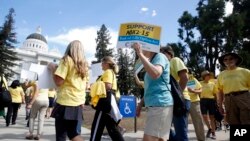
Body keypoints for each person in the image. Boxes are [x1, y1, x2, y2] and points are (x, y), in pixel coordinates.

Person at [48, 40, 88, 141]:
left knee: (61, 135)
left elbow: (58, 82)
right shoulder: (84, 66)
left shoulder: (66, 60)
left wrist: (53, 68)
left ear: (69, 48)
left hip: (65, 102)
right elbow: (85, 86)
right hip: (77, 103)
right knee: (73, 134)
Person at [133, 43, 173, 141]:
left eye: (142, 45)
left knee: (149, 138)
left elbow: (156, 73)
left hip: (160, 104)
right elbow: (149, 88)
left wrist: (140, 54)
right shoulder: (153, 61)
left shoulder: (160, 56)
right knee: (159, 139)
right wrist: (140, 105)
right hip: (157, 105)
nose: (139, 47)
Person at [90, 56, 124, 141]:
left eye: (102, 63)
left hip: (104, 102)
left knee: (97, 128)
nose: (101, 65)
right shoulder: (111, 72)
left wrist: (94, 86)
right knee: (112, 129)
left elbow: (108, 86)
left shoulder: (108, 72)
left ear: (106, 63)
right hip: (110, 102)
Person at [160, 46, 190, 141]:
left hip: (180, 100)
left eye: (162, 52)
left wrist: (177, 95)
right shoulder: (161, 66)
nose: (159, 55)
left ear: (169, 54)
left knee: (181, 133)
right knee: (163, 130)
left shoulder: (174, 60)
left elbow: (184, 78)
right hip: (169, 101)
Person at [217, 52, 250, 125]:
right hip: (229, 99)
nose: (228, 61)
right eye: (225, 60)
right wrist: (220, 106)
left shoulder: (245, 72)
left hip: (243, 97)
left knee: (246, 120)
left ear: (236, 60)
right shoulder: (221, 75)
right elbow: (220, 91)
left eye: (231, 58)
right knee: (233, 121)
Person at [186, 70, 205, 141]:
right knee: (183, 123)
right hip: (182, 102)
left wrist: (193, 91)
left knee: (198, 122)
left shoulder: (193, 79)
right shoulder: (176, 79)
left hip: (194, 102)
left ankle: (201, 139)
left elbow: (200, 90)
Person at [199, 70, 217, 139]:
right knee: (204, 116)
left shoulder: (212, 84)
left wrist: (217, 103)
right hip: (203, 100)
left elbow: (215, 94)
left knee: (212, 117)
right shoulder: (199, 83)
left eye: (209, 75)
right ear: (204, 76)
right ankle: (209, 128)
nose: (209, 76)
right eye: (207, 75)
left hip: (211, 101)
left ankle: (213, 133)